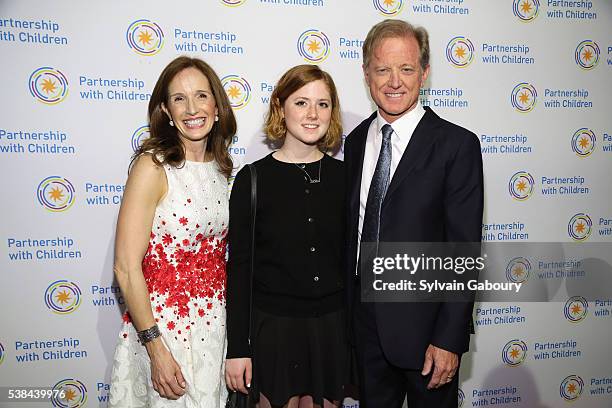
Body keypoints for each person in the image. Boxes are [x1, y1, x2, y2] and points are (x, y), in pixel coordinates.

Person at [344, 20, 483, 408]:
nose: (394, 81)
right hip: (364, 328)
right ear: (366, 72)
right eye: (382, 69)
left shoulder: (457, 146)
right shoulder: (355, 142)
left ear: (424, 73)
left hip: (428, 336)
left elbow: (464, 251)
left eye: (406, 69)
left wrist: (449, 339)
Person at [109, 56, 236, 407]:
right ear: (165, 109)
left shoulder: (223, 167)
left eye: (201, 95)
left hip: (215, 326)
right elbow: (125, 266)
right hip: (166, 330)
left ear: (216, 104)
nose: (192, 108)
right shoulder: (153, 166)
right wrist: (154, 346)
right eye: (179, 98)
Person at [225, 64, 348, 408]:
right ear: (280, 107)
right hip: (274, 332)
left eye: (323, 104)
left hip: (331, 330)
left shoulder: (347, 177)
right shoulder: (253, 180)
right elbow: (239, 271)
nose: (313, 114)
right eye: (301, 102)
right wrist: (237, 349)